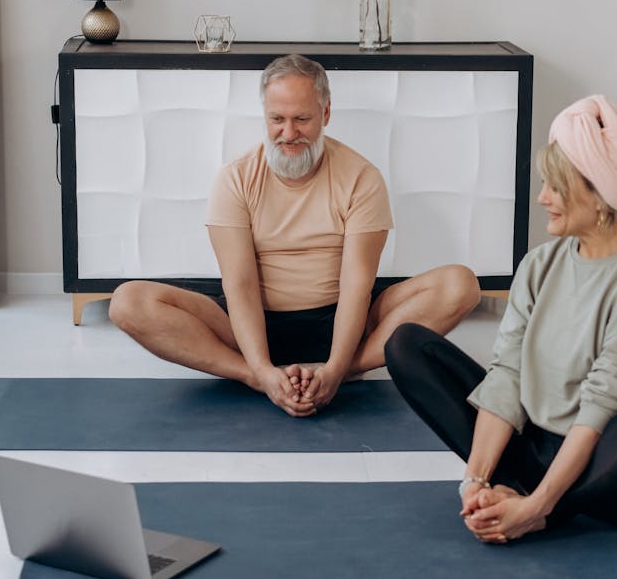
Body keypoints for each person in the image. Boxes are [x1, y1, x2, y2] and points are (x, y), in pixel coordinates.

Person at [385, 95, 617, 542]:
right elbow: (508, 375)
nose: (543, 198)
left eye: (555, 186)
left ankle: (546, 510)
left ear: (597, 194)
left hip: (610, 472)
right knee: (406, 345)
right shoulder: (539, 265)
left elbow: (599, 410)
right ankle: (527, 496)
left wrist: (537, 507)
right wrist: (474, 481)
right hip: (536, 449)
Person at [110, 54, 480, 417]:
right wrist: (261, 369)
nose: (288, 133)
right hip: (251, 325)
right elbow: (239, 285)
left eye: (302, 119)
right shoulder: (235, 178)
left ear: (326, 114)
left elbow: (356, 285)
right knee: (128, 302)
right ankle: (253, 376)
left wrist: (334, 369)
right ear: (265, 116)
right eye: (277, 120)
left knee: (459, 285)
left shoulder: (361, 177)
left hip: (340, 322)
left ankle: (346, 370)